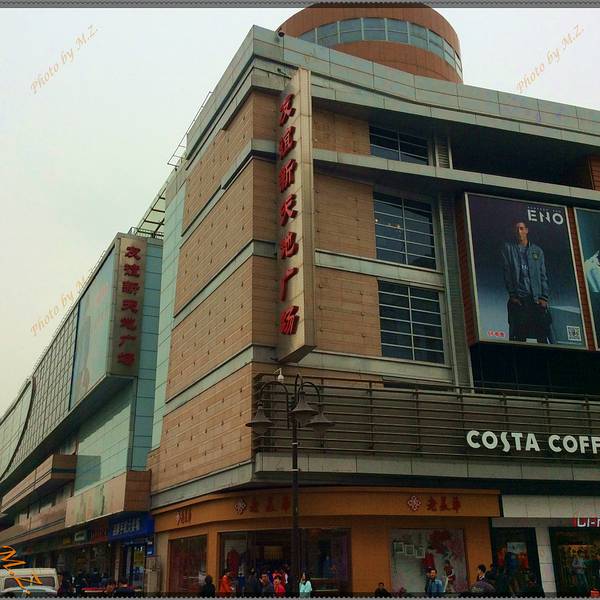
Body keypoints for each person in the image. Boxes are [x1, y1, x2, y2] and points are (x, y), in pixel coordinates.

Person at [502, 220, 552, 343]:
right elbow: (507, 273)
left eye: (521, 228)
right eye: (516, 229)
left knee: (542, 334)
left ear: (526, 230)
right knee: (520, 335)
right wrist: (513, 295)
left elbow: (543, 275)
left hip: (536, 299)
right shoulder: (508, 249)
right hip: (520, 299)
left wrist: (544, 297)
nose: (519, 232)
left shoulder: (537, 251)